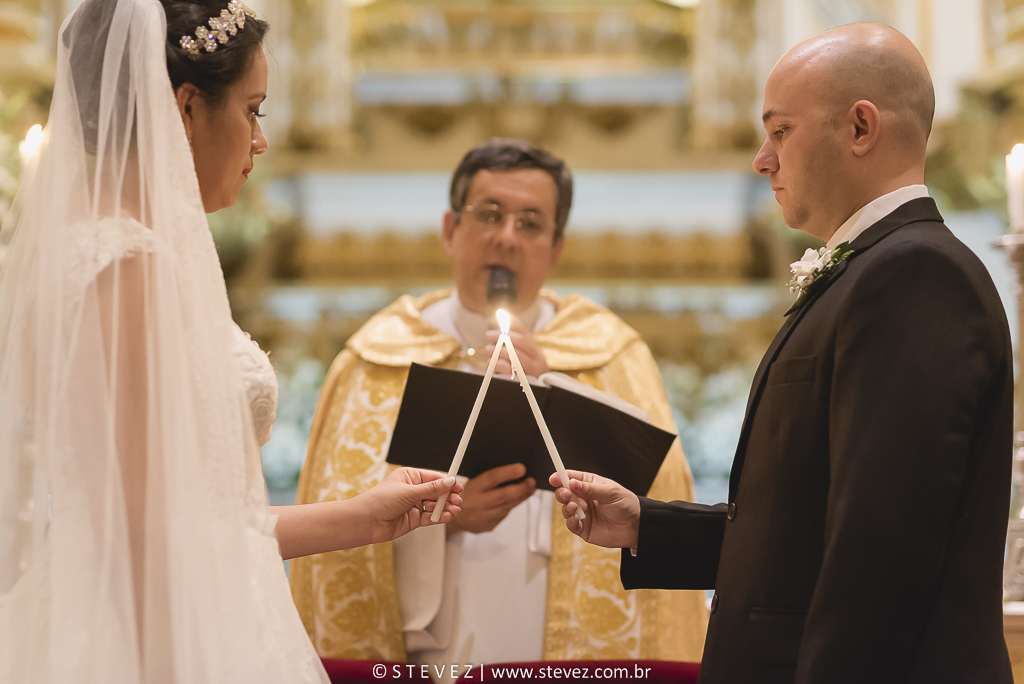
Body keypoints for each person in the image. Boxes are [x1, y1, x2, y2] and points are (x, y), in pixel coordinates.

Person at [0, 1, 462, 682]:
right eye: (253, 110)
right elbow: (142, 543)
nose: (260, 139)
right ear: (186, 108)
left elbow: (198, 520)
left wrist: (363, 519)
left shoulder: (101, 248)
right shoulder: (125, 265)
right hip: (155, 643)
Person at [551, 23, 1014, 684]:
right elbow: (804, 533)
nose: (761, 159)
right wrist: (646, 528)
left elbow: (880, 554)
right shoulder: (874, 270)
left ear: (859, 128)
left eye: (781, 130)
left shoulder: (914, 275)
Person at [289, 139, 708, 674]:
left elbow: (659, 492)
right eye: (489, 214)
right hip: (431, 646)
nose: (507, 237)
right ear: (450, 230)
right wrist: (445, 524)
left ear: (555, 248)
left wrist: (553, 383)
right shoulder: (376, 356)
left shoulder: (609, 352)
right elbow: (332, 524)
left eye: (530, 223)